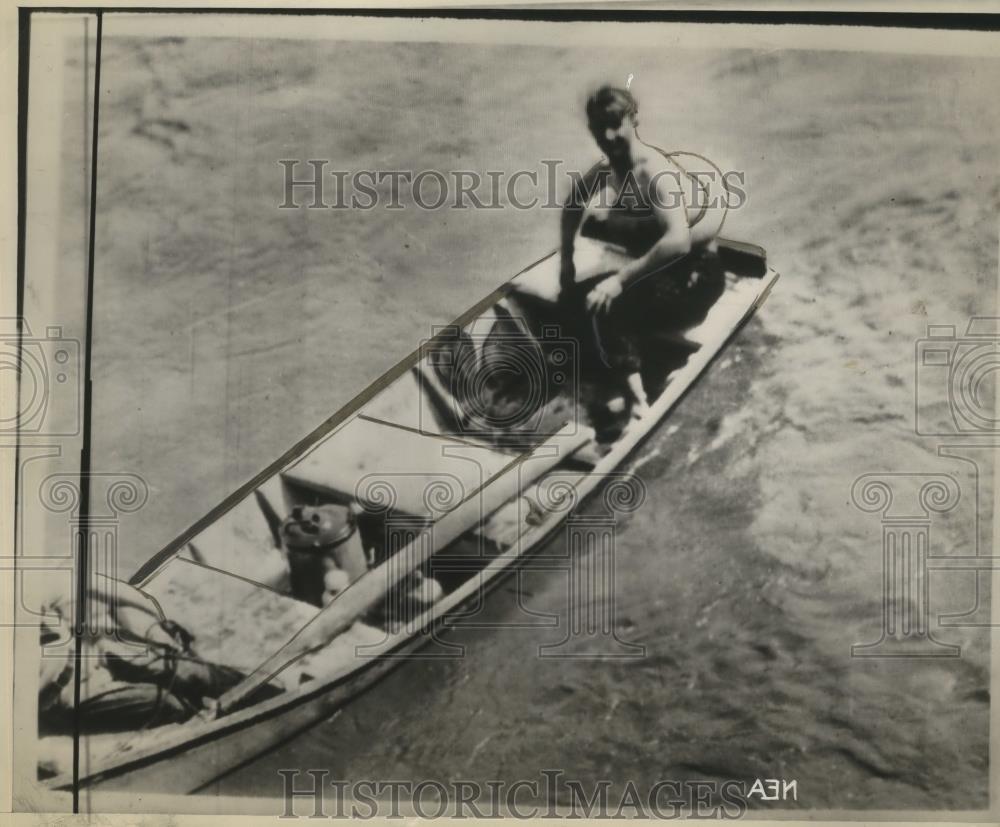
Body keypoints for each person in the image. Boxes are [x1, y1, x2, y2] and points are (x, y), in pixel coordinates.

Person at [559, 85, 724, 419]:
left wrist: (619, 280)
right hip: (658, 274)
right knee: (572, 298)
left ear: (633, 120)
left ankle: (637, 404)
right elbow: (572, 205)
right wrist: (566, 262)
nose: (607, 135)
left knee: (607, 302)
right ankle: (606, 374)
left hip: (695, 279)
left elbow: (678, 240)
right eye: (598, 127)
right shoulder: (609, 169)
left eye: (615, 123)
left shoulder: (652, 170)